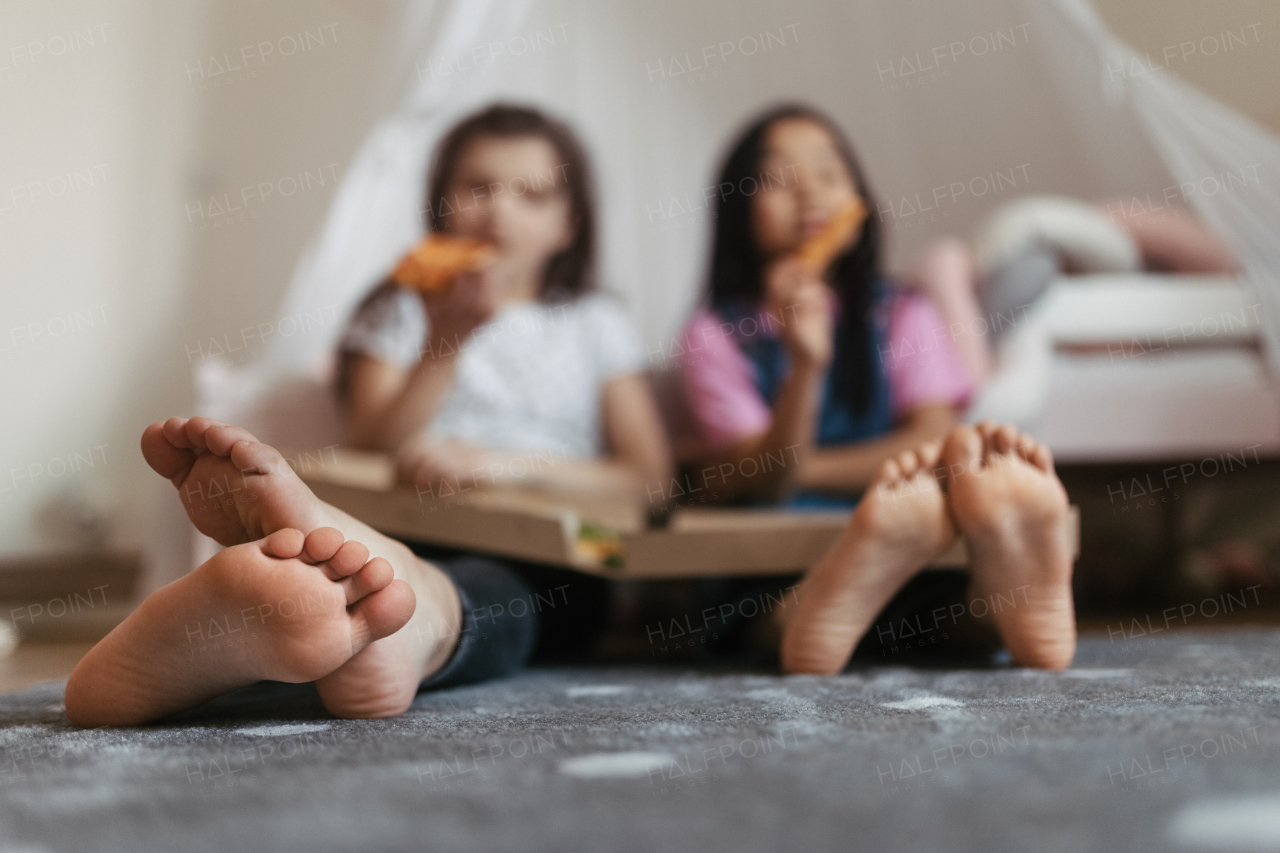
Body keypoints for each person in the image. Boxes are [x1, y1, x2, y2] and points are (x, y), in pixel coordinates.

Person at [62, 415, 1078, 726]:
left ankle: (401, 617)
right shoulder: (405, 313)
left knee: (516, 596)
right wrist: (443, 332)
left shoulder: (604, 334)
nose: (498, 209)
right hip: (495, 539)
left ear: (572, 219)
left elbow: (647, 476)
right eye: (475, 188)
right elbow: (373, 423)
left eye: (531, 191)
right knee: (485, 585)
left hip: (593, 535)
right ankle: (389, 616)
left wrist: (507, 460)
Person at [678, 105, 973, 507]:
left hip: (897, 524)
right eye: (779, 179)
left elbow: (935, 443)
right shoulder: (713, 334)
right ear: (738, 207)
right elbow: (764, 484)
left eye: (830, 175)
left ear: (859, 199)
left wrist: (801, 467)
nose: (809, 193)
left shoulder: (903, 313)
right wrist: (805, 364)